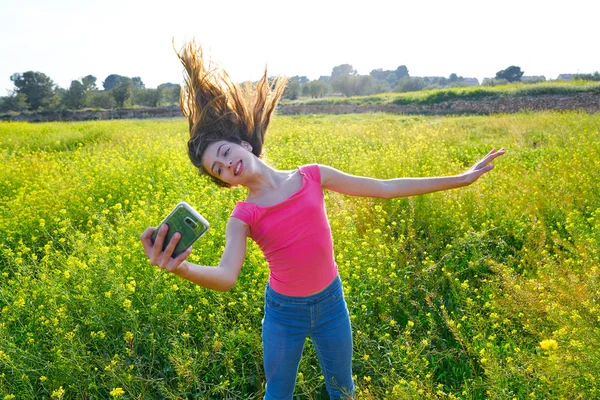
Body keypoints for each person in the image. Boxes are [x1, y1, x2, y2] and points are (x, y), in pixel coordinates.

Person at [139, 41, 506, 400]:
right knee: (278, 394)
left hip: (331, 303)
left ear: (243, 144)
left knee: (343, 390)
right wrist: (180, 269)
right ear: (226, 182)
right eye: (219, 171)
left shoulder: (312, 175)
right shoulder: (243, 216)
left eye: (224, 153)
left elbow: (385, 187)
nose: (226, 166)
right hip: (284, 315)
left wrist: (460, 178)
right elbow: (225, 277)